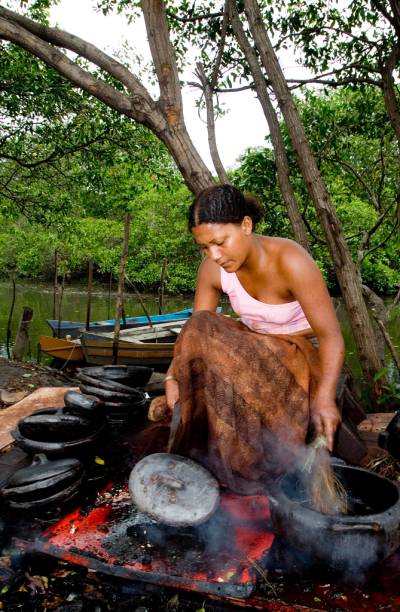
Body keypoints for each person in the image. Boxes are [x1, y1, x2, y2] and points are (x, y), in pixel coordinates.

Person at [150, 184, 345, 492]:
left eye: (219, 243)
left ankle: (252, 464)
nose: (214, 255)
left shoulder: (290, 260)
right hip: (254, 350)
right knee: (201, 323)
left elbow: (332, 336)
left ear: (245, 225)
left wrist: (325, 398)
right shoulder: (213, 269)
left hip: (299, 353)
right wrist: (173, 378)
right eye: (204, 248)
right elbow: (194, 337)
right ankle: (216, 451)